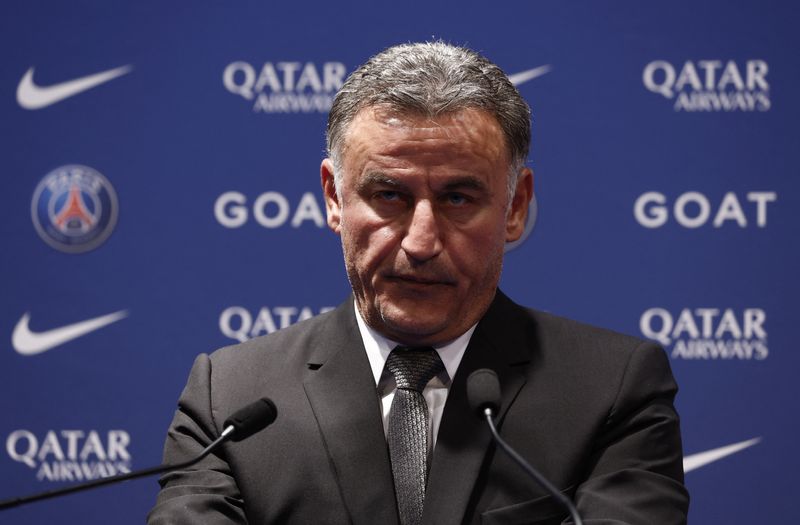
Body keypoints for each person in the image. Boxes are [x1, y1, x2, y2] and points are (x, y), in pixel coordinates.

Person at [148, 42, 689, 524]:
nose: (421, 241)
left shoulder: (613, 389)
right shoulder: (231, 400)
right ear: (334, 197)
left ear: (516, 206)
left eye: (458, 198)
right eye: (389, 196)